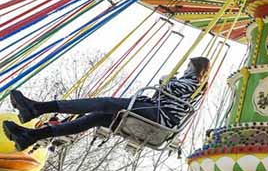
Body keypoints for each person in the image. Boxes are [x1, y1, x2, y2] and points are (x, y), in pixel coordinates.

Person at [3, 57, 210, 151]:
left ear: (197, 70)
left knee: (104, 103)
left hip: (158, 116)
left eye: (188, 67)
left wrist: (167, 79)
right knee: (96, 117)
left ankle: (37, 108)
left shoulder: (196, 84)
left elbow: (172, 88)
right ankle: (32, 135)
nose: (185, 71)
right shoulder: (191, 82)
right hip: (151, 113)